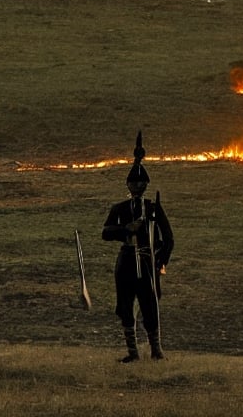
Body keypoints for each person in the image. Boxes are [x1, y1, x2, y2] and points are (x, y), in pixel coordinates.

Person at [102, 132, 174, 362]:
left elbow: (169, 238)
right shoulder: (120, 209)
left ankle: (156, 350)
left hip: (146, 259)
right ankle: (133, 352)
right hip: (126, 262)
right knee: (125, 305)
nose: (137, 186)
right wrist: (126, 230)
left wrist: (160, 260)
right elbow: (106, 232)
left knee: (150, 305)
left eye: (140, 183)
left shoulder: (153, 208)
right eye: (133, 183)